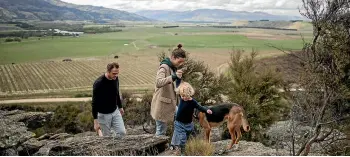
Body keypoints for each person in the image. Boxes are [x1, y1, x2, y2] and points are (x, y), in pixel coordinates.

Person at [151, 44, 187, 136]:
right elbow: (158, 82)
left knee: (180, 121)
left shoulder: (173, 67)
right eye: (179, 62)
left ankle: (175, 143)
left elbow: (173, 85)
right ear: (173, 57)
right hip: (162, 105)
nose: (180, 64)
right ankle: (157, 149)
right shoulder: (164, 67)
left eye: (182, 62)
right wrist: (174, 76)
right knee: (161, 131)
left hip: (171, 103)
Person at [170, 81, 213, 155]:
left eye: (184, 96)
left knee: (188, 137)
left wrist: (207, 110)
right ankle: (182, 152)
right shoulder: (182, 98)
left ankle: (176, 145)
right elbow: (179, 87)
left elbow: (200, 107)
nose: (183, 98)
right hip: (179, 123)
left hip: (189, 124)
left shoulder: (193, 102)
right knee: (182, 138)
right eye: (181, 96)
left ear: (189, 94)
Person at [92, 62, 126, 137]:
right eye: (114, 73)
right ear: (108, 71)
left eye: (117, 73)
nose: (116, 75)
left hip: (115, 111)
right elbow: (94, 103)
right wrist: (96, 121)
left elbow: (116, 93)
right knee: (106, 138)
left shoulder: (116, 78)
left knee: (122, 132)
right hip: (103, 115)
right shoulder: (98, 83)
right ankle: (99, 131)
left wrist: (120, 107)